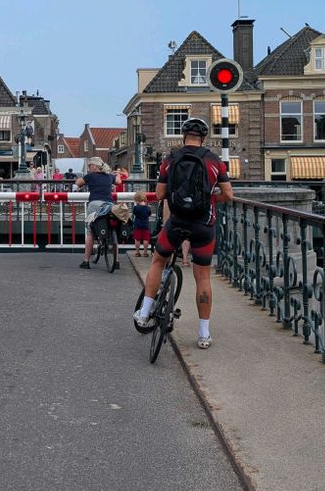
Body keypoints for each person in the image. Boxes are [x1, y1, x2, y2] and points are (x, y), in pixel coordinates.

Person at [133, 118, 232, 350]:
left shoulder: (170, 160)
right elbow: (228, 194)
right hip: (203, 225)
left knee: (158, 261)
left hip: (177, 222)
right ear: (203, 138)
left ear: (184, 135)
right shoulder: (214, 161)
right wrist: (209, 200)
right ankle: (204, 333)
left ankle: (144, 313)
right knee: (203, 277)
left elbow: (159, 194)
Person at [75, 157, 122, 270]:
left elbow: (78, 183)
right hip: (109, 205)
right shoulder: (109, 176)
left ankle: (86, 261)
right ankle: (116, 262)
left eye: (90, 166)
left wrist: (80, 178)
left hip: (95, 205)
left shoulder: (90, 176)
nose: (89, 168)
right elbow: (119, 182)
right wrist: (118, 175)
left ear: (94, 166)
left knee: (90, 232)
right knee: (112, 229)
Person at [131, 191, 153, 257]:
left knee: (137, 239)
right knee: (145, 239)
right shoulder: (147, 208)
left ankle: (137, 252)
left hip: (137, 225)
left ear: (137, 200)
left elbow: (134, 213)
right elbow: (149, 214)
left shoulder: (136, 207)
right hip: (145, 225)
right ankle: (145, 252)